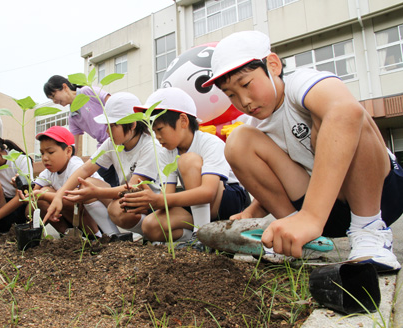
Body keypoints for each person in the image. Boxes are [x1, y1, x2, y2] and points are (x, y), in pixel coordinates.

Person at [202, 30, 403, 271]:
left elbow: (345, 112)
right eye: (231, 94)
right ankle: (297, 239)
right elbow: (273, 181)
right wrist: (252, 212)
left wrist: (311, 215)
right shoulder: (254, 126)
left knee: (343, 114)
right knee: (238, 142)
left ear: (273, 65)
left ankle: (370, 230)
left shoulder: (301, 83)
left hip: (380, 197)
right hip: (325, 214)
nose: (243, 101)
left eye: (246, 84)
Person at [121, 87, 250, 246]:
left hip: (226, 200)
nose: (158, 137)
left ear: (183, 121)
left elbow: (208, 193)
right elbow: (167, 197)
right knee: (151, 226)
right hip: (196, 203)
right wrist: (151, 201)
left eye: (160, 129)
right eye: (154, 131)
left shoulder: (210, 142)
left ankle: (202, 236)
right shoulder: (165, 152)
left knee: (188, 160)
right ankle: (195, 237)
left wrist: (159, 200)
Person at [43, 92, 162, 236]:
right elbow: (85, 169)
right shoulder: (112, 143)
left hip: (151, 205)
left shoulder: (150, 146)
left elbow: (133, 188)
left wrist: (96, 192)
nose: (107, 131)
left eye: (111, 126)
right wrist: (59, 196)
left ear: (132, 124)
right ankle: (114, 237)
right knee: (87, 182)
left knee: (116, 209)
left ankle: (151, 232)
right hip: (130, 198)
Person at [30, 126, 117, 237]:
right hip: (75, 218)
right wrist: (28, 194)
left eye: (50, 152)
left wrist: (42, 195)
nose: (45, 158)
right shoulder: (48, 172)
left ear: (68, 151)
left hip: (98, 216)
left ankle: (95, 236)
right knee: (44, 193)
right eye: (42, 153)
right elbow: (33, 195)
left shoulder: (74, 164)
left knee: (62, 197)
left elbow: (74, 197)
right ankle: (69, 235)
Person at [43, 75, 119, 187]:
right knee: (102, 183)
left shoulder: (86, 91)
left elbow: (111, 101)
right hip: (104, 148)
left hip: (118, 141)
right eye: (51, 99)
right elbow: (74, 147)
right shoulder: (73, 117)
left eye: (53, 96)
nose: (54, 101)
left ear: (64, 87)